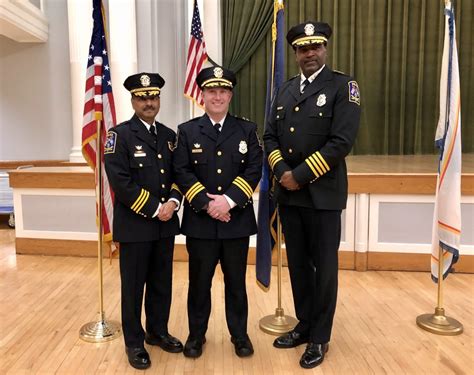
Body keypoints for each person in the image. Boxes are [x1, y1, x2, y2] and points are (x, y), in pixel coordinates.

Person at [263, 22, 361, 369]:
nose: (309, 53)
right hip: (290, 198)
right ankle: (304, 325)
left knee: (324, 270)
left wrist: (299, 176)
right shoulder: (286, 90)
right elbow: (270, 136)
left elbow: (341, 142)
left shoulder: (343, 86)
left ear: (324, 48)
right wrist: (280, 173)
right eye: (302, 49)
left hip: (322, 196)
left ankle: (320, 337)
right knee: (300, 267)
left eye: (315, 47)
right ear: (295, 53)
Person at [173, 66, 262, 358]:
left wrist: (229, 201)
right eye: (212, 91)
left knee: (236, 283)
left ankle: (240, 335)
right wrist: (208, 204)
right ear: (203, 95)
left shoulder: (247, 130)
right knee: (199, 283)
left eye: (223, 91)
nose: (218, 96)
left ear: (230, 95)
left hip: (236, 222)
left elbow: (253, 170)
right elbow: (182, 171)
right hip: (201, 223)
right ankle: (196, 336)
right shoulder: (187, 131)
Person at [104, 73, 183, 370]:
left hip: (164, 226)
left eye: (153, 97)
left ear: (159, 99)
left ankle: (157, 331)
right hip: (136, 225)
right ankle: (134, 342)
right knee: (134, 287)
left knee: (162, 282)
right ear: (133, 100)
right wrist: (155, 208)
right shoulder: (118, 136)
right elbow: (121, 183)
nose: (149, 102)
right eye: (142, 97)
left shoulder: (168, 136)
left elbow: (178, 175)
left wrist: (173, 202)